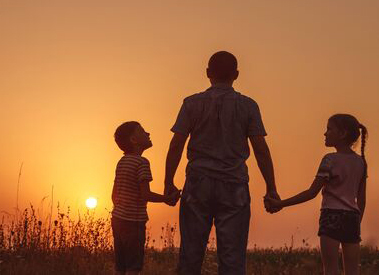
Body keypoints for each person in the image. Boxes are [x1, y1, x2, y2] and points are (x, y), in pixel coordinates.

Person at [164, 51, 281, 275]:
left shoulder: (191, 104)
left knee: (190, 256)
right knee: (233, 259)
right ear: (236, 75)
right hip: (234, 185)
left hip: (198, 184)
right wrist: (271, 188)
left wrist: (168, 183)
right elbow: (261, 151)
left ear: (207, 73)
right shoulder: (248, 106)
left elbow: (176, 145)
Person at [265, 114, 368, 275]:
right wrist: (357, 223)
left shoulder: (329, 160)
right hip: (353, 219)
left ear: (342, 134)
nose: (325, 133)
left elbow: (312, 193)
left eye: (329, 129)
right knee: (353, 271)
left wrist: (281, 203)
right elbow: (361, 200)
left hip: (331, 217)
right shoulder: (361, 163)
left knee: (330, 270)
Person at [111, 121, 180, 275]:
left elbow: (113, 195)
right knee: (133, 267)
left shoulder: (122, 162)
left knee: (120, 266)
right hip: (134, 223)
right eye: (142, 131)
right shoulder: (142, 163)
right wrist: (166, 198)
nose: (148, 134)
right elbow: (145, 195)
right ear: (134, 140)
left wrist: (122, 209)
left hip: (117, 220)